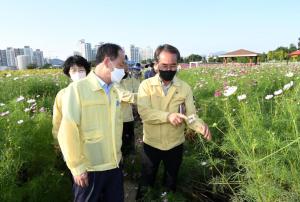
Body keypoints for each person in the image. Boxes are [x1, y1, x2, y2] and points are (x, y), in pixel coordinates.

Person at [58, 43, 136, 202]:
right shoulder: (78, 89)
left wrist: (119, 158)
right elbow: (67, 130)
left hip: (114, 165)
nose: (125, 69)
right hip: (89, 169)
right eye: (121, 64)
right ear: (107, 62)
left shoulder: (114, 90)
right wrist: (77, 167)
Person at [136, 44, 212, 199]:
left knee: (171, 183)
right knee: (146, 181)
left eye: (173, 66)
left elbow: (191, 115)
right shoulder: (146, 85)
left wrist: (200, 126)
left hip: (174, 144)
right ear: (156, 65)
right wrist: (168, 116)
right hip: (151, 143)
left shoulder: (184, 88)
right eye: (164, 65)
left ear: (177, 65)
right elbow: (144, 113)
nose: (169, 69)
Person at [52, 55, 91, 146]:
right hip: (71, 139)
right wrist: (57, 140)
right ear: (68, 73)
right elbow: (57, 120)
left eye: (81, 70)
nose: (78, 73)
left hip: (92, 139)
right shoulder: (62, 94)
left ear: (86, 72)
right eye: (74, 70)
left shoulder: (95, 91)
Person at [120, 58, 140, 157]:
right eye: (122, 64)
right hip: (116, 119)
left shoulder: (132, 79)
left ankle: (131, 161)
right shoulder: (112, 81)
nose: (125, 66)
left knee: (129, 141)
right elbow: (125, 96)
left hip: (128, 117)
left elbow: (139, 91)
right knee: (119, 144)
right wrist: (148, 96)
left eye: (126, 64)